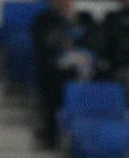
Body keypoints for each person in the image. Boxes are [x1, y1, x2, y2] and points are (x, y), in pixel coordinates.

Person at [31, 0, 99, 148]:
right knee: (56, 84)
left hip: (84, 67)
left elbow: (95, 41)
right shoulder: (43, 19)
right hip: (55, 71)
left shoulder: (85, 18)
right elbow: (45, 46)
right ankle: (52, 133)